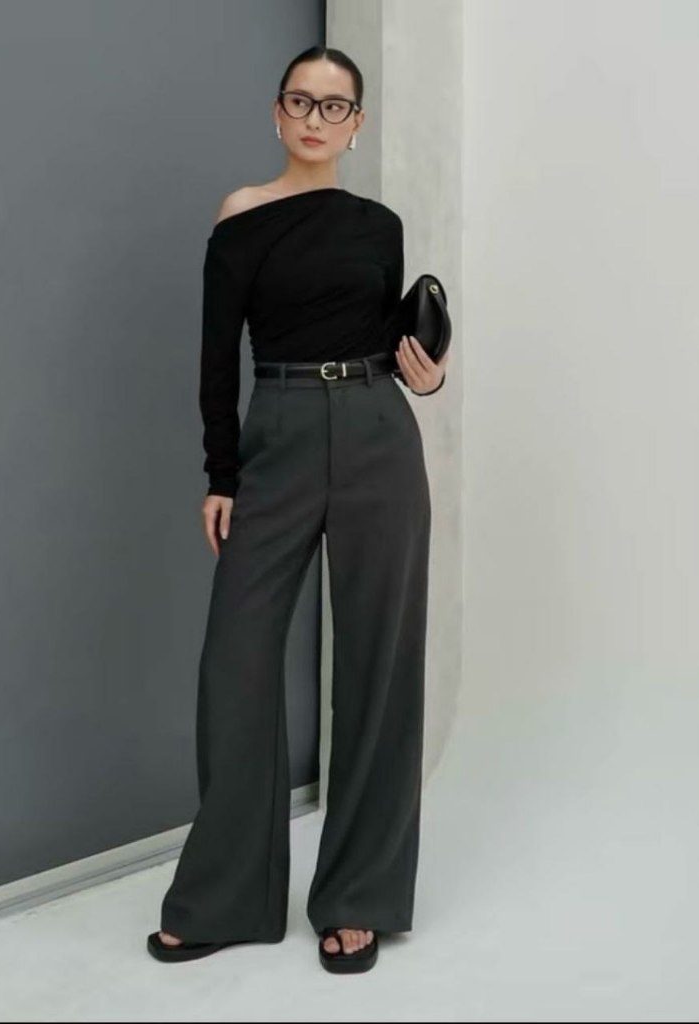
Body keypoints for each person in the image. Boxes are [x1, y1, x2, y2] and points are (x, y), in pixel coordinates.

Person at [147, 45, 449, 974]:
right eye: (301, 101)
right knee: (235, 661)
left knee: (377, 663)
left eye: (335, 105)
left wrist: (429, 377)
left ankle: (357, 896)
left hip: (375, 430)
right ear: (277, 113)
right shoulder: (240, 216)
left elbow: (384, 337)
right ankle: (226, 896)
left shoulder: (379, 225)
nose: (316, 118)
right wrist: (221, 474)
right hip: (274, 432)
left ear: (356, 124)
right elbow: (216, 357)